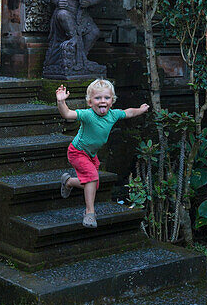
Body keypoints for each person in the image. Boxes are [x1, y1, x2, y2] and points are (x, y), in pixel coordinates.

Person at [55, 79, 149, 228]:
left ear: (112, 101)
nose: (102, 101)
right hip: (77, 152)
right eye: (97, 98)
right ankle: (90, 213)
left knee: (93, 184)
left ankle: (68, 182)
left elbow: (129, 112)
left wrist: (141, 110)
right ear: (90, 102)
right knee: (92, 178)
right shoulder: (87, 115)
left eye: (106, 98)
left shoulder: (113, 114)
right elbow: (67, 114)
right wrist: (61, 102)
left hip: (91, 155)